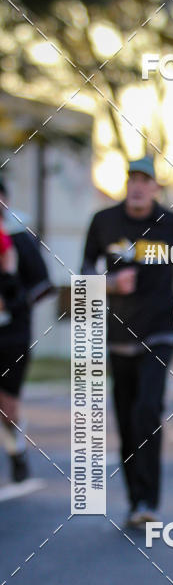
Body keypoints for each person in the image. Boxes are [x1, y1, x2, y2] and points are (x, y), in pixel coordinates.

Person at [81, 156, 173, 527]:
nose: (138, 186)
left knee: (146, 412)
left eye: (145, 180)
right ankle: (135, 500)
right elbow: (84, 271)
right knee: (126, 420)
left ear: (156, 186)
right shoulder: (103, 221)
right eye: (132, 179)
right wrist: (108, 283)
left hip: (160, 333)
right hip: (117, 335)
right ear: (127, 184)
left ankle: (149, 503)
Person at [0, 178, 52, 482]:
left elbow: (42, 286)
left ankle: (16, 449)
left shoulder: (20, 238)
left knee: (8, 406)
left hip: (13, 333)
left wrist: (12, 304)